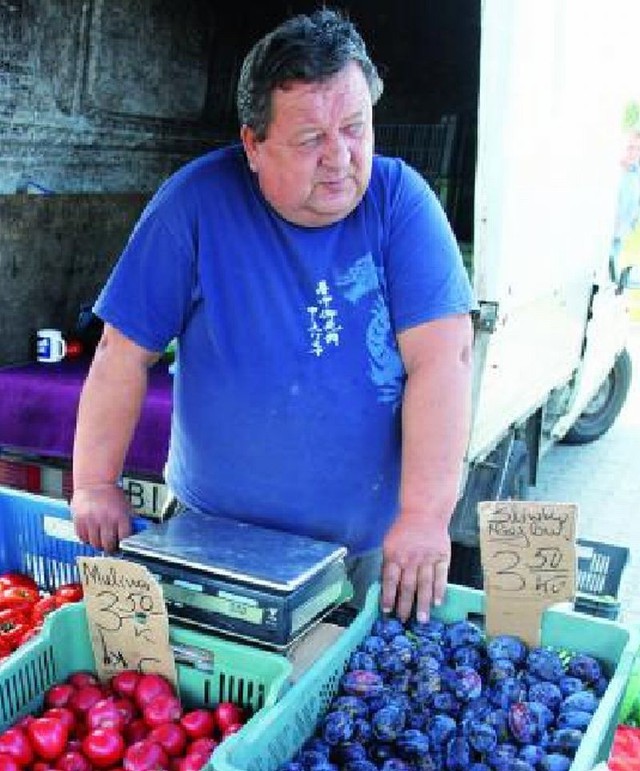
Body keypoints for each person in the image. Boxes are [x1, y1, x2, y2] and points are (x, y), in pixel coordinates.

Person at [70, 8, 475, 623]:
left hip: (359, 552)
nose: (340, 157)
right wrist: (95, 483)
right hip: (211, 543)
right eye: (312, 138)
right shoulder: (194, 203)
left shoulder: (401, 203)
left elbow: (443, 363)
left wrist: (423, 517)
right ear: (253, 145)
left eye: (356, 128)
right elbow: (121, 355)